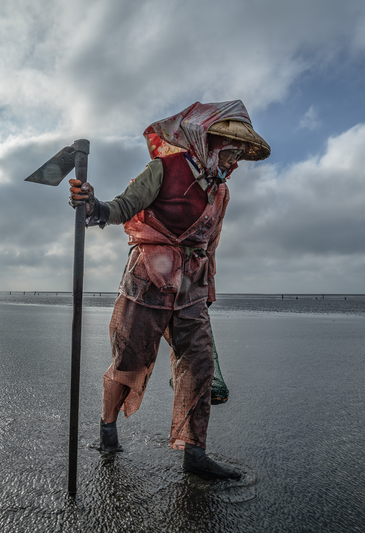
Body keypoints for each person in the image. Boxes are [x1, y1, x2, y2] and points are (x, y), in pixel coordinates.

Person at [69, 100, 270, 479]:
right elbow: (124, 207)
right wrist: (93, 205)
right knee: (130, 361)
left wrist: (207, 291)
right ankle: (108, 429)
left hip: (192, 287)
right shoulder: (164, 168)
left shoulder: (221, 192)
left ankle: (195, 455)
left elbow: (210, 245)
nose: (235, 162)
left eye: (239, 154)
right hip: (148, 280)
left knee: (199, 365)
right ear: (207, 142)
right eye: (231, 151)